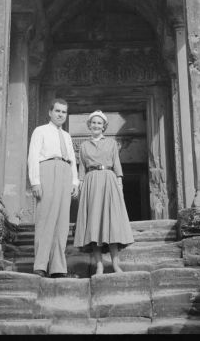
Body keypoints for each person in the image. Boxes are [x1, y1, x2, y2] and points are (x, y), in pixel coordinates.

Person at [73, 110, 134, 275]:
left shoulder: (112, 143)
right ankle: (99, 265)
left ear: (104, 126)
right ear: (89, 125)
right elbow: (81, 168)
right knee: (94, 224)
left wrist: (119, 182)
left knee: (111, 223)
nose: (96, 125)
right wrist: (79, 184)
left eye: (99, 123)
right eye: (93, 122)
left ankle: (115, 265)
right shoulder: (84, 146)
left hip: (109, 180)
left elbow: (116, 163)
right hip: (91, 182)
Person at [27, 98, 79, 278]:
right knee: (45, 219)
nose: (60, 115)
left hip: (65, 171)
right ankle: (40, 265)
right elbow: (33, 156)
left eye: (64, 112)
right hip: (47, 169)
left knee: (62, 222)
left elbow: (72, 159)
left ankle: (58, 267)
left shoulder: (67, 136)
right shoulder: (40, 131)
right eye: (57, 111)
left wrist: (75, 182)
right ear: (50, 112)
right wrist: (35, 181)